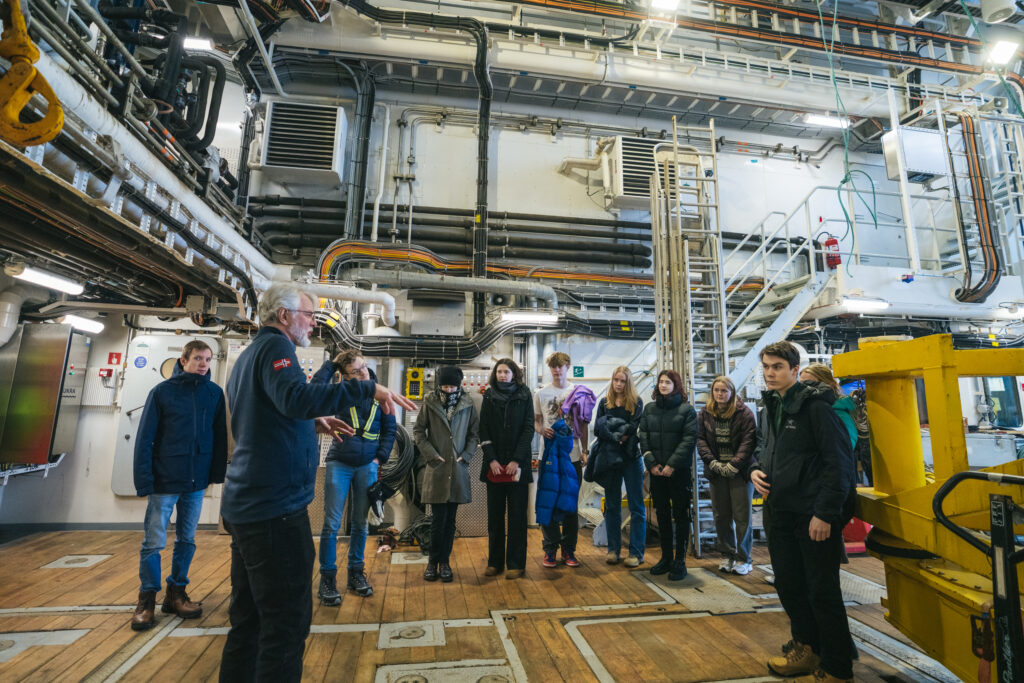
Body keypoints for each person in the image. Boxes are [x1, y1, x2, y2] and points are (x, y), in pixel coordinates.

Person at [219, 283, 415, 682]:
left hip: (248, 505)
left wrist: (310, 422)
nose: (313, 323)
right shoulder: (277, 348)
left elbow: (270, 411)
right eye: (309, 315)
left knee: (249, 620)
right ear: (285, 315)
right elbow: (295, 398)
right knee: (285, 625)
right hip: (273, 510)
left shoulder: (251, 353)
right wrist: (368, 387)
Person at [750, 341, 856, 683]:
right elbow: (765, 449)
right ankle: (808, 649)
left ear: (795, 370)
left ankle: (838, 667)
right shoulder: (771, 406)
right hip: (780, 511)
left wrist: (824, 513)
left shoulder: (816, 408)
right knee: (790, 586)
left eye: (777, 367)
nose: (770, 373)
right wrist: (755, 469)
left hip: (811, 515)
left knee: (821, 592)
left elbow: (839, 464)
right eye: (766, 367)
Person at [131, 340, 227, 631]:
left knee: (187, 539)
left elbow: (219, 437)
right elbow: (145, 439)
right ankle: (147, 599)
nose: (203, 364)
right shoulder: (162, 392)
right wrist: (144, 479)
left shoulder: (214, 393)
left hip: (195, 480)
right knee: (153, 542)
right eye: (198, 358)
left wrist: (216, 473)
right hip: (165, 480)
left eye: (207, 359)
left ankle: (176, 594)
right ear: (183, 360)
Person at [311, 349, 397, 603]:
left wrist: (378, 458)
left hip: (367, 466)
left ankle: (356, 574)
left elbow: (390, 429)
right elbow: (314, 393)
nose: (363, 373)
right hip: (339, 462)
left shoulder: (380, 393)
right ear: (344, 376)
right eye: (355, 371)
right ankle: (327, 578)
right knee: (331, 524)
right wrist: (332, 365)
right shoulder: (339, 392)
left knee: (361, 523)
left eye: (364, 367)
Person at [414, 366, 479, 583]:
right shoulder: (430, 402)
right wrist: (431, 455)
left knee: (450, 520)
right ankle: (432, 562)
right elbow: (418, 432)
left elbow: (474, 434)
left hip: (457, 469)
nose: (448, 390)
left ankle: (445, 563)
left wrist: (466, 456)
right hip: (437, 468)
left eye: (452, 386)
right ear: (439, 385)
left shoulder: (468, 403)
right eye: (445, 386)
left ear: (458, 385)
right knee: (437, 520)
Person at [638, 369, 697, 582]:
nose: (663, 385)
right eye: (661, 382)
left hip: (678, 472)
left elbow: (689, 439)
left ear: (676, 385)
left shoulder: (687, 410)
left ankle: (680, 561)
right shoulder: (649, 409)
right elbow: (643, 436)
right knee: (661, 515)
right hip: (657, 472)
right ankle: (665, 558)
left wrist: (672, 465)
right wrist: (651, 463)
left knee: (681, 515)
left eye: (668, 382)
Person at [534, 351, 591, 568]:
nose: (557, 370)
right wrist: (542, 430)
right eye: (553, 367)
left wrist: (585, 450)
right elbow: (536, 421)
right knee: (547, 502)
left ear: (568, 367)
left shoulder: (578, 391)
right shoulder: (541, 393)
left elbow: (583, 425)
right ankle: (550, 549)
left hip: (572, 457)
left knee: (570, 506)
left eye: (561, 366)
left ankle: (569, 550)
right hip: (548, 456)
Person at [479, 358, 534, 579]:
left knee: (517, 518)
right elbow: (483, 429)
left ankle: (516, 564)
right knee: (495, 518)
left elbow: (528, 429)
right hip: (494, 466)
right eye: (499, 371)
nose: (502, 375)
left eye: (506, 372)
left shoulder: (525, 394)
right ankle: (495, 563)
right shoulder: (488, 396)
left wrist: (516, 460)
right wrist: (492, 460)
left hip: (517, 467)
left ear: (514, 374)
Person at [697, 375, 757, 575]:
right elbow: (700, 440)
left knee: (742, 517)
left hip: (740, 473)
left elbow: (749, 442)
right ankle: (727, 554)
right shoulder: (704, 413)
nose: (720, 394)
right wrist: (712, 462)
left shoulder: (744, 413)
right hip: (717, 472)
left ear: (732, 392)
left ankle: (744, 558)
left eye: (724, 390)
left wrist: (734, 464)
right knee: (721, 515)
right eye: (716, 390)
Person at [591, 365, 645, 567]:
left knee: (636, 506)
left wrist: (613, 428)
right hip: (610, 458)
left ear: (628, 382)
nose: (619, 384)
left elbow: (633, 427)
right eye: (616, 380)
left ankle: (636, 553)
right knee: (612, 505)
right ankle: (613, 550)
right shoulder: (605, 402)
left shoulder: (637, 402)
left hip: (631, 458)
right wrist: (617, 434)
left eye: (623, 381)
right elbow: (599, 428)